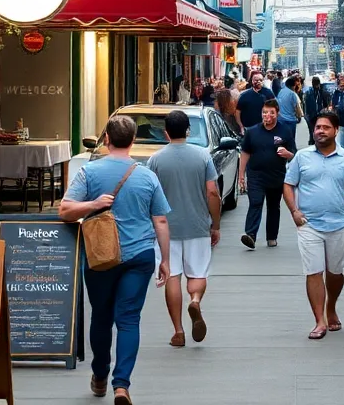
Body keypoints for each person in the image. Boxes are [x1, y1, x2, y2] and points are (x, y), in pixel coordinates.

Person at [59, 116, 171, 404]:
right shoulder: (147, 176)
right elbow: (160, 220)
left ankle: (99, 375)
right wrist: (165, 260)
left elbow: (65, 211)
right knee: (129, 320)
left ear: (106, 139)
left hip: (100, 256)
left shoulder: (89, 172)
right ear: (133, 140)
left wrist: (93, 204)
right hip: (139, 255)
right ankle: (121, 385)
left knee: (101, 316)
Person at [283, 110, 344, 339]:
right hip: (309, 224)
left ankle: (331, 307)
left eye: (326, 127)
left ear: (336, 131)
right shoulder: (302, 157)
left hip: (340, 224)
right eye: (317, 127)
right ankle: (319, 320)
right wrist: (294, 211)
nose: (320, 131)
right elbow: (288, 184)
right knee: (313, 271)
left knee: (335, 273)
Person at [145, 110, 221, 348]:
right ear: (188, 130)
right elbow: (212, 192)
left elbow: (150, 196)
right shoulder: (203, 156)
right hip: (197, 226)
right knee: (198, 274)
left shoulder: (155, 160)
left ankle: (178, 331)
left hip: (166, 230)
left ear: (165, 132)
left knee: (172, 276)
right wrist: (215, 224)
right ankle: (195, 301)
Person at [238, 99, 296, 249]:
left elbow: (294, 154)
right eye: (264, 112)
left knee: (273, 206)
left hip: (276, 175)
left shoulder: (284, 131)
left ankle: (272, 236)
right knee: (255, 202)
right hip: (255, 175)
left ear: (277, 113)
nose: (267, 115)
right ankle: (250, 235)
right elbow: (245, 153)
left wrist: (287, 154)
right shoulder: (253, 132)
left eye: (271, 112)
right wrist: (241, 175)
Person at [303, 77, 331, 145]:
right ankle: (314, 140)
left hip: (317, 114)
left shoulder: (321, 92)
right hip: (313, 114)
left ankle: (315, 140)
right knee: (314, 129)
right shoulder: (310, 92)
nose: (315, 86)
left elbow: (327, 103)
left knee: (315, 129)